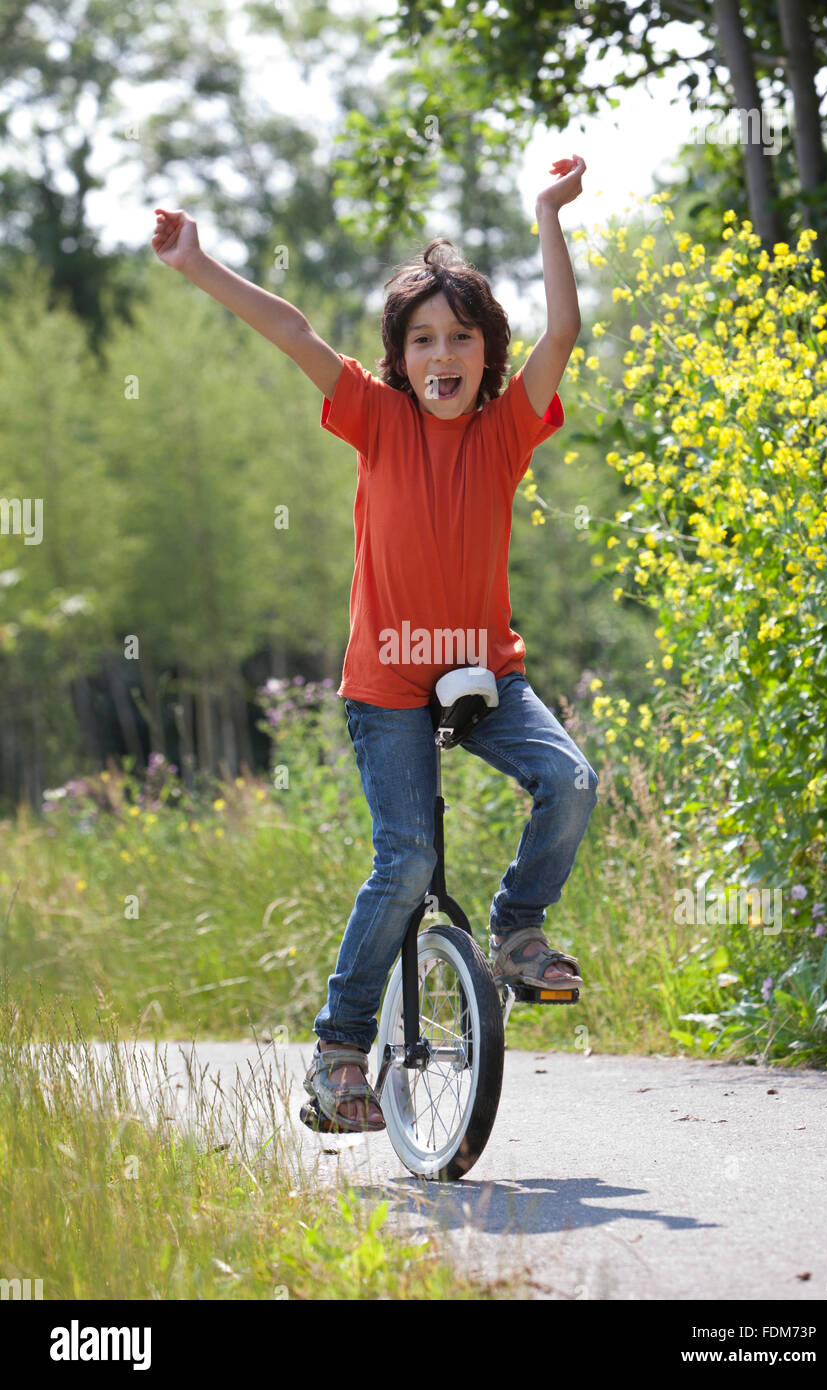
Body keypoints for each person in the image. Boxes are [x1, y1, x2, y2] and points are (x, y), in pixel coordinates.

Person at [151, 153, 598, 1133]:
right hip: (388, 686)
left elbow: (563, 329)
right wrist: (197, 263)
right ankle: (338, 1052)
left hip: (487, 673)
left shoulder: (506, 431)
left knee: (568, 782)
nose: (444, 353)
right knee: (403, 862)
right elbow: (292, 330)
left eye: (463, 337)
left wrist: (544, 214)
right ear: (400, 356)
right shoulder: (376, 417)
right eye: (424, 338)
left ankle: (517, 932)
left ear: (487, 351)